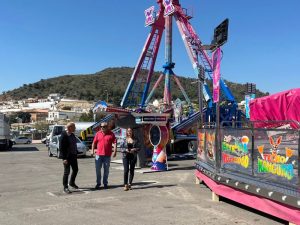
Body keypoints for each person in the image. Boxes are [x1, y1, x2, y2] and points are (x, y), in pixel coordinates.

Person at [91, 122, 117, 190]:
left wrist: (115, 151)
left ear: (107, 127)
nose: (102, 128)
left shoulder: (111, 134)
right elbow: (94, 142)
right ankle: (98, 183)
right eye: (101, 126)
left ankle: (105, 183)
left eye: (104, 126)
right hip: (98, 155)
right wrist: (92, 150)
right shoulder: (98, 133)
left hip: (107, 156)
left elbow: (115, 143)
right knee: (98, 170)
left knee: (106, 170)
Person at [59, 122, 79, 194]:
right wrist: (64, 158)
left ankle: (71, 182)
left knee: (75, 170)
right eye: (74, 127)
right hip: (67, 157)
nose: (75, 128)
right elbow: (61, 148)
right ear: (70, 127)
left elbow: (74, 144)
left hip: (73, 156)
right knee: (66, 172)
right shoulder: (64, 135)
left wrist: (76, 152)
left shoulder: (72, 135)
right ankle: (65, 187)